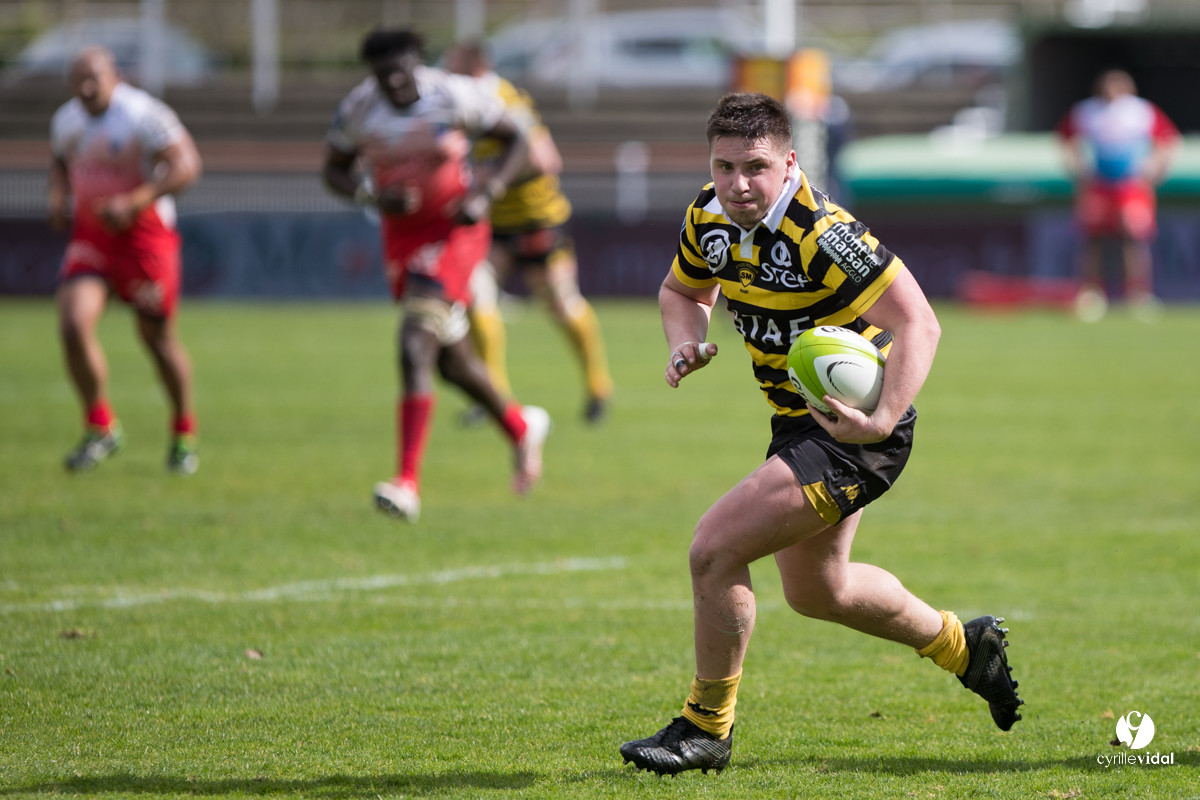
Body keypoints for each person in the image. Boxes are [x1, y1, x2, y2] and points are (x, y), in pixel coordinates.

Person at [619, 93, 1023, 777]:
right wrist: (685, 342)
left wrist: (884, 416)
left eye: (755, 167)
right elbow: (682, 291)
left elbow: (919, 322)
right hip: (796, 424)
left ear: (789, 163)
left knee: (714, 551)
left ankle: (705, 727)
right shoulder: (707, 216)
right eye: (724, 167)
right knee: (818, 590)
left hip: (854, 432)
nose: (738, 185)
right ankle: (964, 645)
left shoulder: (823, 230)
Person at [322, 28, 551, 523]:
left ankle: (406, 480)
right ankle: (518, 425)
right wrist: (372, 197)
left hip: (454, 232)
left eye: (402, 72)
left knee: (412, 345)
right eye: (384, 76)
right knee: (449, 362)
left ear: (417, 64)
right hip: (401, 239)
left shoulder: (455, 94)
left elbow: (519, 141)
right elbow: (333, 169)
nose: (395, 83)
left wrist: (486, 193)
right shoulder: (359, 108)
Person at [48, 45, 203, 475]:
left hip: (144, 241)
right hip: (93, 238)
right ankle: (100, 427)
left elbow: (187, 166)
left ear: (115, 76)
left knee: (157, 341)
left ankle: (183, 431)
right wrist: (58, 197)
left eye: (93, 78)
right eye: (77, 81)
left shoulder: (143, 114)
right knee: (73, 325)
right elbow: (60, 162)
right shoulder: (65, 120)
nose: (85, 88)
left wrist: (135, 201)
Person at [443, 40, 614, 424]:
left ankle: (598, 386)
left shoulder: (502, 100)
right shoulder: (460, 104)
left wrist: (489, 176)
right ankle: (494, 399)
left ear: (473, 70)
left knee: (561, 304)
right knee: (477, 298)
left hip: (537, 218)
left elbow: (546, 159)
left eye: (452, 69)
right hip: (493, 222)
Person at [1056, 68, 1180, 322]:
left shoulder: (1141, 111)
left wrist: (1155, 168)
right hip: (1098, 186)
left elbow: (1169, 140)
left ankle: (1138, 294)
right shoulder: (1086, 111)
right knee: (1094, 240)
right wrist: (1078, 170)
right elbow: (1064, 139)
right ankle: (1091, 293)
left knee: (1133, 238)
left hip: (1131, 186)